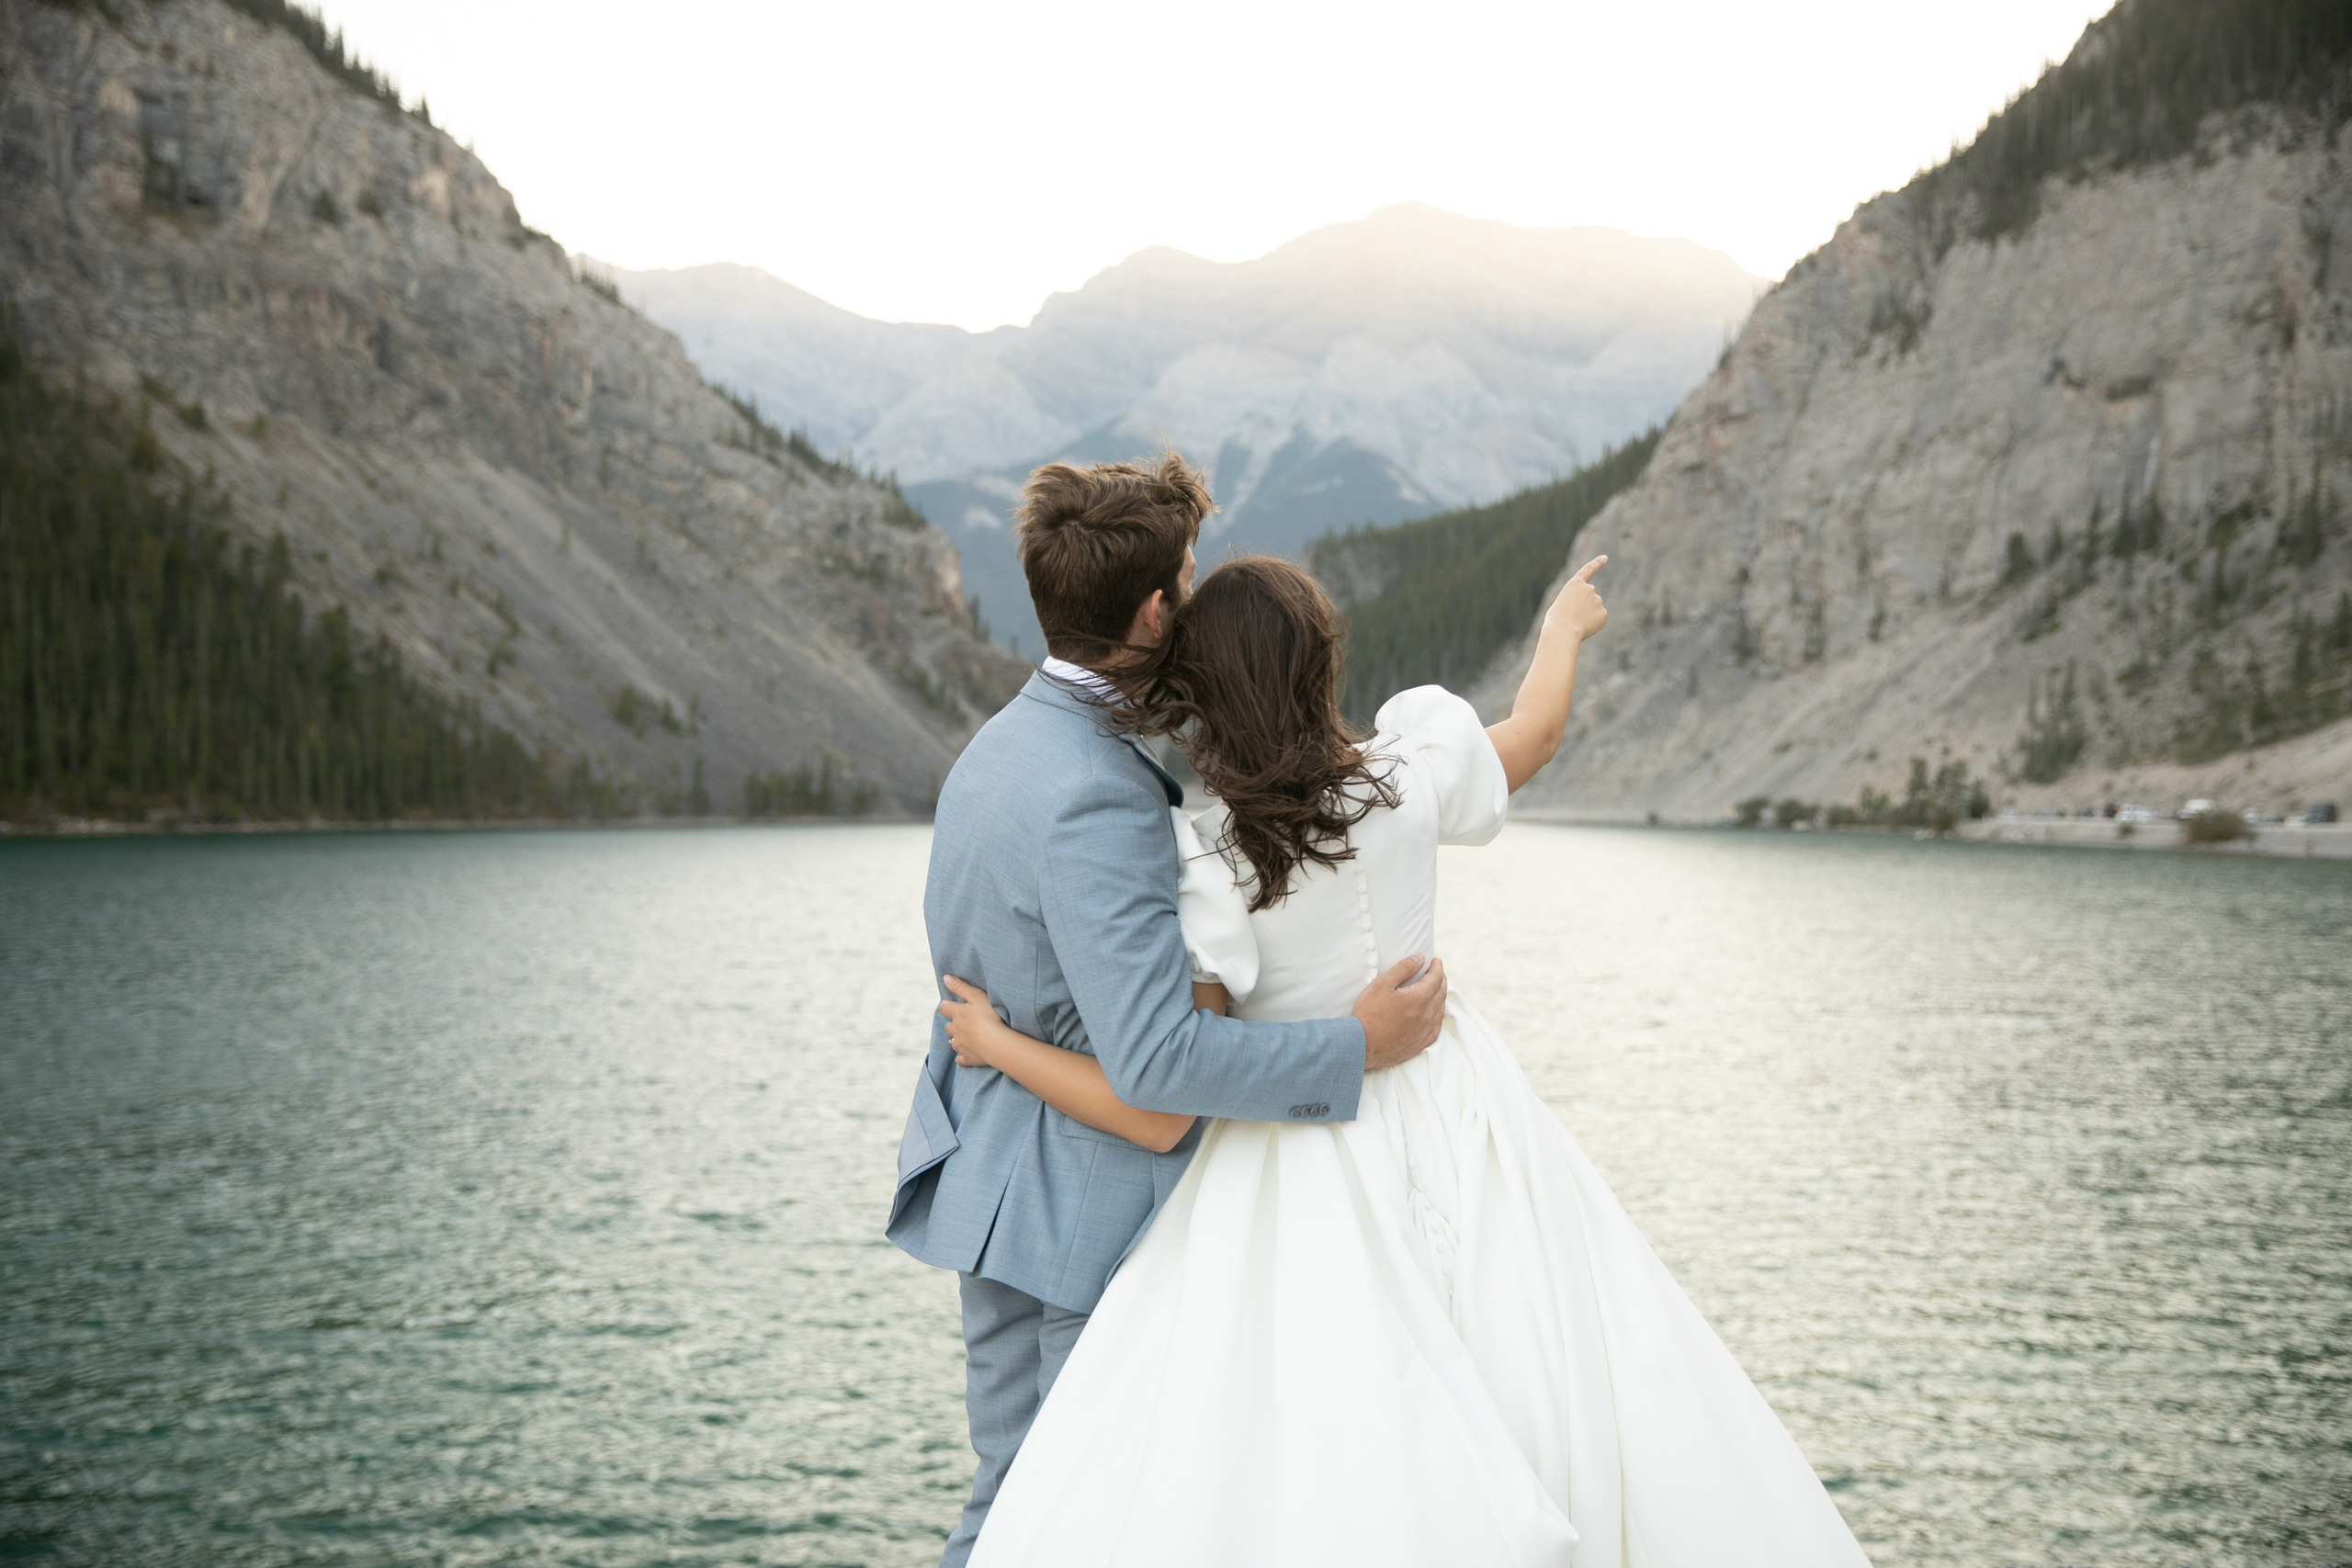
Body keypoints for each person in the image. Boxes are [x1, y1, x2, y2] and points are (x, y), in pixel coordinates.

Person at [936, 554, 1874, 1567]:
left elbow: (1192, 1061)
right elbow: (1534, 734)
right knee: (1533, 1345)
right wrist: (1560, 630)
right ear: (1321, 668)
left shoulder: (1208, 864)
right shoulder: (1407, 781)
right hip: (1455, 1102)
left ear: (1204, 696)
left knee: (1271, 1431)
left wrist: (1003, 1044)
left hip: (1295, 1141)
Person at [885, 454, 1453, 1568]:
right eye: (1186, 580)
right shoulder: (1096, 790)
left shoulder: (997, 746)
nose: (1193, 602)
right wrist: (1355, 1046)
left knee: (1010, 1510)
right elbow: (1155, 1065)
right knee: (1082, 1519)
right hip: (1081, 1213)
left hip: (995, 1184)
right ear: (1152, 612)